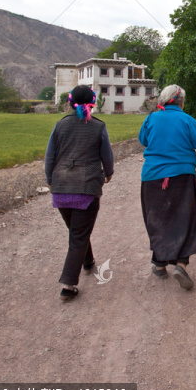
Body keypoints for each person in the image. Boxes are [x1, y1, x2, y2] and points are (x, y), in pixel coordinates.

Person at [138, 85, 196, 290]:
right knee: (189, 218)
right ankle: (180, 264)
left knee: (158, 219)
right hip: (182, 178)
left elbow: (143, 140)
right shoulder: (187, 120)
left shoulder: (151, 119)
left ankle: (160, 264)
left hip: (152, 178)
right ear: (181, 101)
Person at [44, 85, 114, 301]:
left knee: (77, 230)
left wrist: (50, 181)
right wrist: (109, 173)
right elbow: (107, 156)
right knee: (78, 234)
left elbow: (50, 157)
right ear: (93, 103)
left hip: (61, 189)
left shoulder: (60, 125)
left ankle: (88, 262)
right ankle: (67, 285)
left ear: (69, 102)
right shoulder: (98, 127)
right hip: (86, 189)